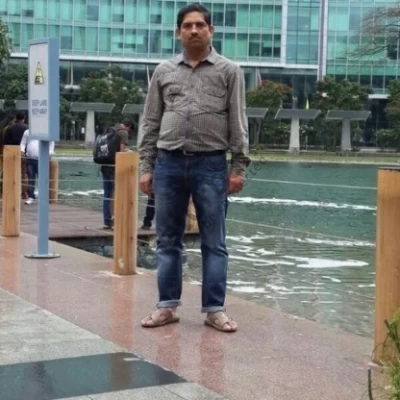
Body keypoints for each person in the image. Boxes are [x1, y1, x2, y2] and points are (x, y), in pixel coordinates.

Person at [138, 3, 250, 332]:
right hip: (168, 163)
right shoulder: (164, 71)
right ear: (178, 33)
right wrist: (146, 166)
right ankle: (167, 306)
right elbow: (151, 121)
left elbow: (238, 120)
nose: (194, 30)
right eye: (187, 26)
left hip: (211, 165)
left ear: (211, 30)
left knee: (214, 241)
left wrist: (238, 167)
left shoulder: (229, 71)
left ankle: (214, 309)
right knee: (167, 239)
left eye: (200, 25)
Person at [93, 120, 132, 230]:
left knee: (107, 195)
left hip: (104, 166)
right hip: (115, 168)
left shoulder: (108, 131)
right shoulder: (123, 132)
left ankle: (107, 222)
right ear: (129, 127)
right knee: (119, 195)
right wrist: (128, 152)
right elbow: (122, 153)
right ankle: (117, 223)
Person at [20, 129, 55, 204]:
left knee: (42, 179)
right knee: (31, 178)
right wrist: (22, 150)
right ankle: (30, 196)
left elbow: (51, 143)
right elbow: (23, 143)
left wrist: (49, 153)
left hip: (42, 159)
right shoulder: (27, 131)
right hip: (30, 159)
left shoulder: (47, 131)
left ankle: (43, 197)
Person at [3, 112, 29, 199]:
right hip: (23, 153)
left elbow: (5, 143)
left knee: (10, 173)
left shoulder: (9, 128)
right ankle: (24, 193)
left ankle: (10, 192)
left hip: (11, 153)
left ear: (16, 118)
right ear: (24, 118)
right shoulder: (27, 128)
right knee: (24, 173)